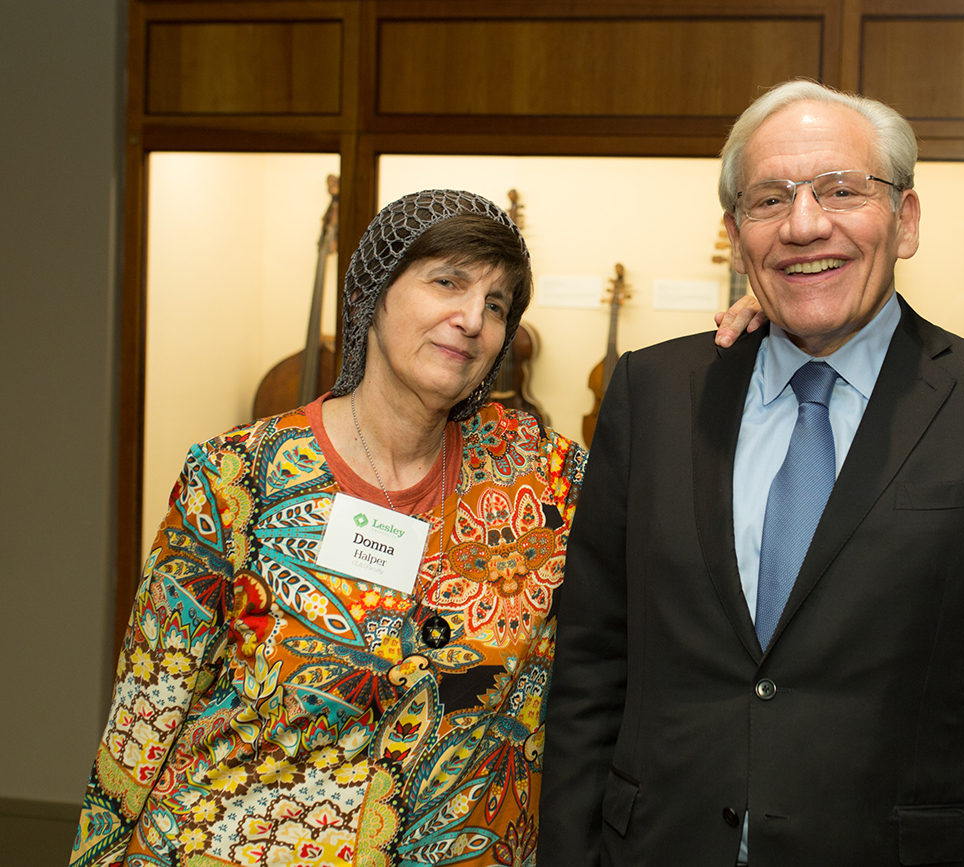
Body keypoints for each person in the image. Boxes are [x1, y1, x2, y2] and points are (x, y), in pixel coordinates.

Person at [71, 189, 763, 867]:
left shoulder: (547, 476)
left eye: (497, 304)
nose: (471, 319)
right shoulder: (234, 478)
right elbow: (148, 704)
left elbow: (700, 521)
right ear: (373, 292)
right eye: (447, 281)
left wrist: (781, 340)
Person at [538, 80, 964, 867]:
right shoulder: (652, 394)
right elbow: (593, 662)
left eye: (841, 190)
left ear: (906, 220)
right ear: (736, 232)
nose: (804, 224)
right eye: (769, 199)